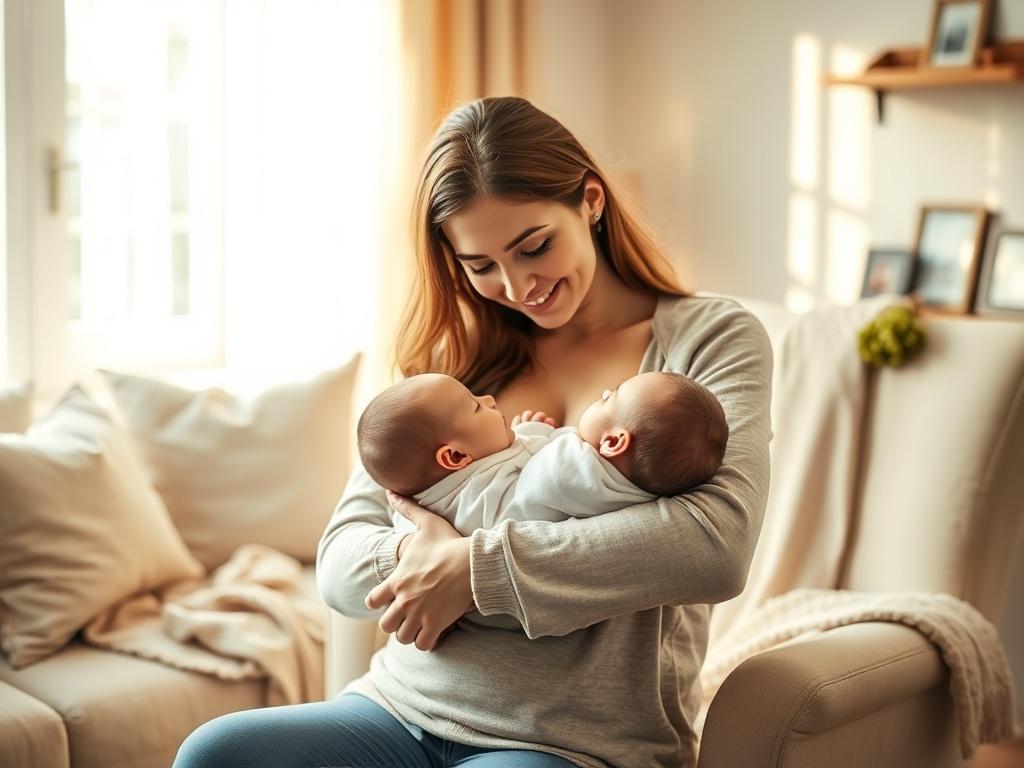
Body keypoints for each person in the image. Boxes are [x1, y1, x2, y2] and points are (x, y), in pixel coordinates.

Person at [173, 95, 772, 768]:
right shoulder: (456, 370)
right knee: (215, 753)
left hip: (570, 743)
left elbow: (714, 546)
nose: (518, 286)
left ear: (592, 202)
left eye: (534, 246)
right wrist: (417, 565)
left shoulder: (710, 340)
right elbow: (342, 559)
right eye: (481, 265)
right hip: (397, 710)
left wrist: (473, 571)